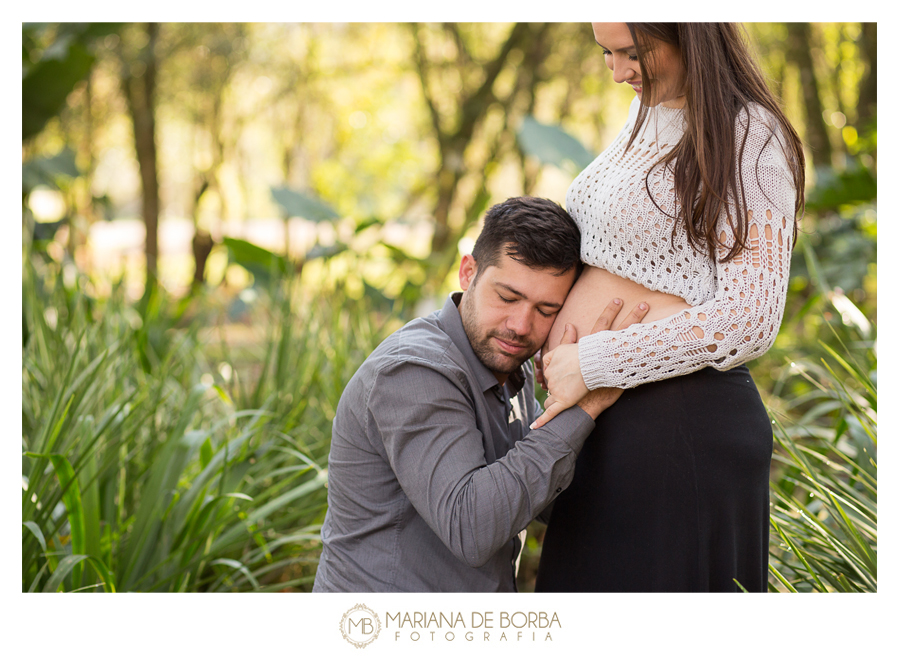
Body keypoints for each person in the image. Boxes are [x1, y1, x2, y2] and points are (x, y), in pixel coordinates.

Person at [532, 23, 806, 592]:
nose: (617, 71)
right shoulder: (644, 113)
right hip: (606, 426)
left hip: (682, 430)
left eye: (634, 53)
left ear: (692, 36)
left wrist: (595, 361)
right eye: (605, 52)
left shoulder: (751, 135)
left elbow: (749, 317)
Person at [312, 196, 648, 592]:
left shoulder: (512, 366)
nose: (521, 325)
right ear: (468, 273)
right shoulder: (413, 372)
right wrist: (586, 406)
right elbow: (472, 527)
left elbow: (541, 497)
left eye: (546, 310)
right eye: (507, 297)